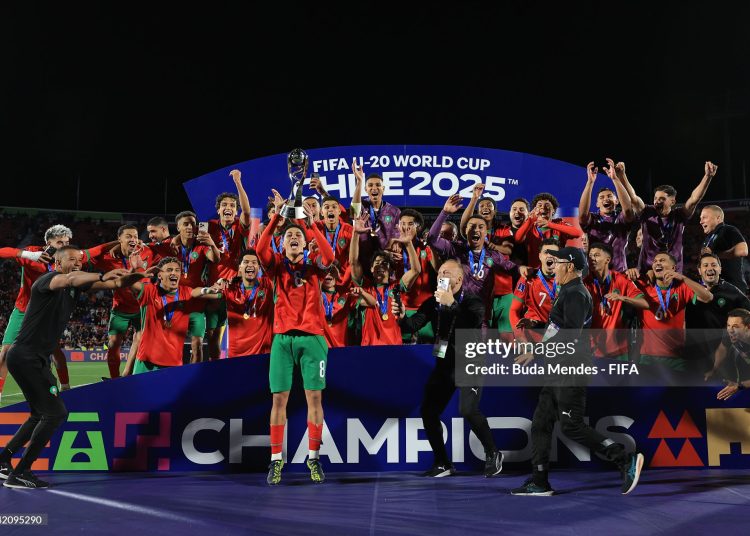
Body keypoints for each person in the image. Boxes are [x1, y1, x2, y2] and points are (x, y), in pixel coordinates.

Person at [0, 246, 144, 488]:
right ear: (57, 263)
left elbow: (116, 285)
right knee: (56, 413)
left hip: (37, 359)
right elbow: (69, 278)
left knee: (40, 414)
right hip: (25, 357)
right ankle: (20, 472)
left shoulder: (77, 285)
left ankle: (4, 459)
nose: (78, 263)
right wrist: (100, 275)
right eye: (72, 259)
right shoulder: (48, 280)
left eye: (80, 260)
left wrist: (136, 272)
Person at [511, 247, 644, 496]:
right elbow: (560, 326)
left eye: (557, 262)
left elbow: (571, 335)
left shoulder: (574, 293)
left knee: (571, 425)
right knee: (541, 422)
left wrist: (535, 352)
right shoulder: (569, 292)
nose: (552, 266)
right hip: (559, 367)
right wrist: (537, 324)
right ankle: (539, 481)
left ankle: (624, 459)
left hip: (570, 367)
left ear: (570, 266)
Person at [396, 259, 504, 478]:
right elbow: (412, 325)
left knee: (468, 410)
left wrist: (451, 303)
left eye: (446, 272)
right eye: (438, 273)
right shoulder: (433, 302)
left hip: (470, 362)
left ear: (459, 279)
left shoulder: (473, 301)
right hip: (445, 364)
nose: (440, 276)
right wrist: (401, 318)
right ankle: (443, 462)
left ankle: (493, 453)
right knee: (428, 410)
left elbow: (470, 323)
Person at [257, 194, 336, 485]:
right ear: (283, 242)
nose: (293, 237)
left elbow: (330, 258)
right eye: (289, 235)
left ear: (305, 244)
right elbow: (259, 247)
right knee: (279, 400)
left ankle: (313, 457)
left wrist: (310, 225)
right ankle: (276, 460)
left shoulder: (314, 266)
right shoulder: (275, 267)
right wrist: (278, 217)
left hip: (314, 340)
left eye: (297, 236)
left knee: (315, 398)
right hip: (282, 341)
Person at [427, 194, 519, 324]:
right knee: (445, 344)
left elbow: (515, 270)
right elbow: (432, 239)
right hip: (454, 316)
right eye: (472, 226)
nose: (476, 229)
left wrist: (527, 271)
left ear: (486, 232)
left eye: (481, 227)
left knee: (479, 344)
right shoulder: (454, 249)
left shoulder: (494, 255)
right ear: (465, 231)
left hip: (481, 320)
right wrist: (444, 212)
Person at [148, 211, 221, 363]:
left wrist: (212, 243)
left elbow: (215, 258)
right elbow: (147, 246)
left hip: (196, 303)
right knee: (170, 345)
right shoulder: (169, 246)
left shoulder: (202, 246)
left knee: (197, 345)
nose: (190, 227)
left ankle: (194, 381)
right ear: (178, 228)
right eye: (185, 224)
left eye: (193, 224)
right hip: (176, 303)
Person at [84, 224, 155, 379]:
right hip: (121, 308)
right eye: (128, 236)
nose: (133, 239)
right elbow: (86, 256)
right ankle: (115, 380)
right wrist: (110, 246)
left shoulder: (146, 251)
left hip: (142, 307)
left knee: (140, 340)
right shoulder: (107, 258)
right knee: (113, 344)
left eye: (135, 236)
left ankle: (128, 374)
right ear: (119, 239)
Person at [128, 256, 220, 372]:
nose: (174, 273)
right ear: (159, 275)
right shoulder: (149, 291)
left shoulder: (185, 292)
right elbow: (126, 283)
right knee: (139, 391)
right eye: (169, 270)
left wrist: (207, 289)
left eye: (177, 270)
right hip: (146, 363)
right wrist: (133, 270)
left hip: (173, 364)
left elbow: (197, 291)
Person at [633, 162, 717, 273]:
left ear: (672, 201)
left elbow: (693, 200)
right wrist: (621, 177)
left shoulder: (679, 215)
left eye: (662, 199)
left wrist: (707, 177)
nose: (657, 201)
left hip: (673, 272)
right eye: (655, 198)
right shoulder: (647, 212)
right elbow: (633, 198)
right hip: (647, 271)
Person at [634, 252, 713, 373]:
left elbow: (708, 297)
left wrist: (683, 278)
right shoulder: (643, 286)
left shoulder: (681, 287)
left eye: (662, 260)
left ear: (673, 268)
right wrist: (630, 272)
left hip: (676, 358)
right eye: (655, 261)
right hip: (647, 357)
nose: (657, 263)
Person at [350, 214, 421, 346]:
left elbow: (416, 270)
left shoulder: (396, 288)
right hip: (369, 347)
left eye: (384, 263)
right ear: (371, 269)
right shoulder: (365, 287)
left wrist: (408, 244)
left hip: (394, 346)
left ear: (391, 270)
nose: (380, 266)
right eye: (376, 263)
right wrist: (355, 234)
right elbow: (353, 263)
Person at [205, 170, 253, 361]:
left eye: (232, 205)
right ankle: (216, 370)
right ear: (218, 210)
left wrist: (238, 182)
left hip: (234, 288)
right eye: (224, 205)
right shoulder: (208, 226)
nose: (229, 207)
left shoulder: (239, 226)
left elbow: (247, 212)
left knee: (238, 332)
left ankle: (239, 367)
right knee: (213, 338)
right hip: (213, 289)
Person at [584, 243, 648, 361]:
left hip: (618, 350)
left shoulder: (620, 280)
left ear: (607, 260)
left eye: (596, 255)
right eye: (590, 255)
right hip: (593, 349)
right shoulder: (585, 283)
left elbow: (645, 303)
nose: (592, 258)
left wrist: (622, 298)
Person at [690, 255, 750, 378]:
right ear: (699, 270)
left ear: (720, 269)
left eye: (713, 265)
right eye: (705, 265)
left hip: (723, 356)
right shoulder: (690, 290)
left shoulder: (732, 292)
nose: (710, 268)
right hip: (694, 355)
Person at [578, 159, 636, 272]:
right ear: (597, 204)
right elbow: (583, 215)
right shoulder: (593, 220)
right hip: (596, 274)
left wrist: (615, 178)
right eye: (602, 197)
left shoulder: (621, 219)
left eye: (610, 196)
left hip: (620, 273)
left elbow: (628, 209)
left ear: (616, 201)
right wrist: (590, 182)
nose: (606, 199)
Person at [509, 239, 560, 342]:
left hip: (554, 338)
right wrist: (520, 337)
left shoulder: (566, 282)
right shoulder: (528, 277)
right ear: (540, 256)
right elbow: (514, 310)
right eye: (546, 252)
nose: (550, 256)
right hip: (530, 337)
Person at [514, 192, 582, 268]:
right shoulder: (529, 226)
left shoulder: (559, 224)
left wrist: (550, 224)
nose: (543, 207)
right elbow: (517, 239)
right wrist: (530, 220)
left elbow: (577, 233)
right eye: (539, 205)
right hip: (536, 274)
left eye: (547, 205)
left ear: (553, 211)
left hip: (557, 273)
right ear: (534, 210)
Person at [699, 205, 748, 293]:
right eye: (700, 218)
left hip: (733, 288)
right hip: (716, 289)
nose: (701, 222)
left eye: (704, 217)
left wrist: (715, 255)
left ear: (718, 218)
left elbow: (742, 250)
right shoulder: (708, 239)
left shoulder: (727, 230)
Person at [710, 309, 750, 400]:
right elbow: (722, 349)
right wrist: (714, 368)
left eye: (735, 326)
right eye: (728, 325)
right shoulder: (731, 333)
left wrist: (739, 385)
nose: (730, 330)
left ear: (748, 327)